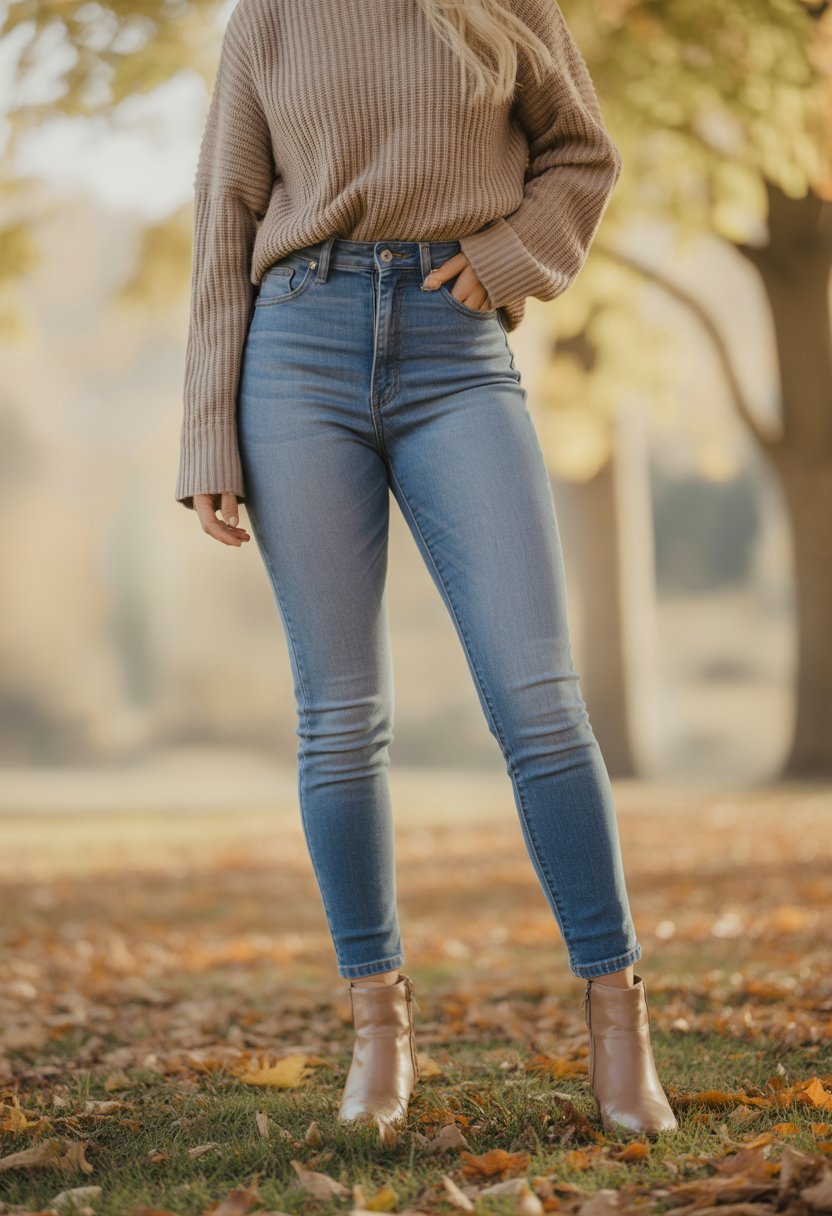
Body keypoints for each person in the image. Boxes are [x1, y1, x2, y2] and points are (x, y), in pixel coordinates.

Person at [175, 0, 678, 1143]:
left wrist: (507, 257)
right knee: (340, 715)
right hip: (293, 351)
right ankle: (377, 1030)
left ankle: (616, 1017)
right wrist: (206, 428)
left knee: (538, 700)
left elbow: (580, 153)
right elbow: (224, 218)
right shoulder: (266, 20)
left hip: (456, 350)